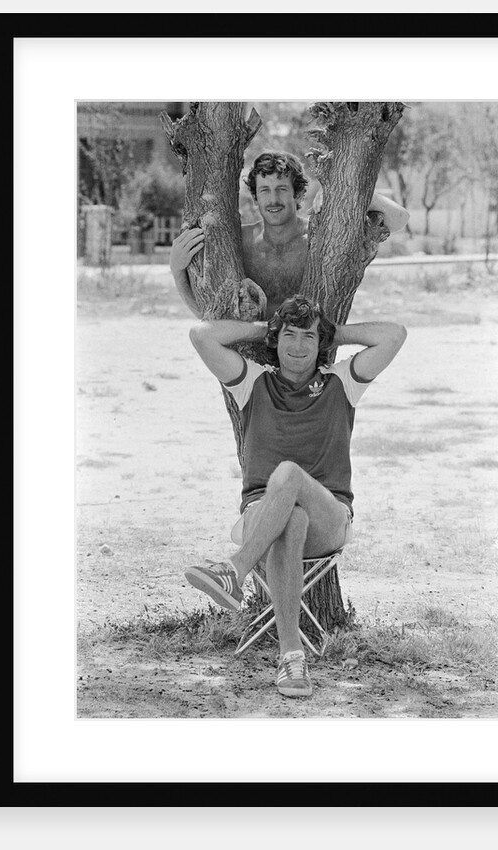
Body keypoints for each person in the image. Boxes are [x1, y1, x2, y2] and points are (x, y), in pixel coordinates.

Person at [184, 294, 407, 697]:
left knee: (288, 475)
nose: (299, 346)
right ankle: (292, 661)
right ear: (276, 339)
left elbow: (394, 335)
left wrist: (332, 331)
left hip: (330, 517)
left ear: (320, 343)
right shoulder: (254, 383)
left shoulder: (343, 383)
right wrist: (261, 329)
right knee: (291, 520)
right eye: (289, 335)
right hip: (264, 515)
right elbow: (201, 336)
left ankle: (234, 570)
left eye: (309, 336)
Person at [170, 150, 410, 319]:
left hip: (306, 354)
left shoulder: (319, 238)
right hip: (250, 355)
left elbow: (399, 219)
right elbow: (207, 314)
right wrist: (177, 269)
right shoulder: (239, 242)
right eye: (265, 190)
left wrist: (348, 197)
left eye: (282, 189)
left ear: (298, 195)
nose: (273, 199)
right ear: (255, 198)